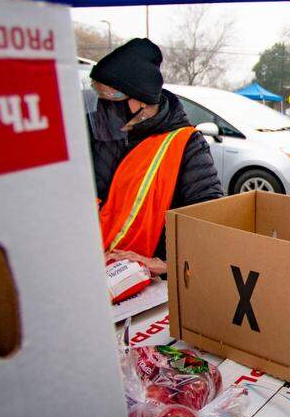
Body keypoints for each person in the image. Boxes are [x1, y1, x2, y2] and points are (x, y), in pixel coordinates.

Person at [87, 38, 223, 274]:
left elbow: (210, 220)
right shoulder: (99, 135)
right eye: (99, 93)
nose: (102, 104)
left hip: (147, 282)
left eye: (111, 96)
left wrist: (166, 265)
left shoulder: (187, 144)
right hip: (91, 270)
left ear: (139, 98)